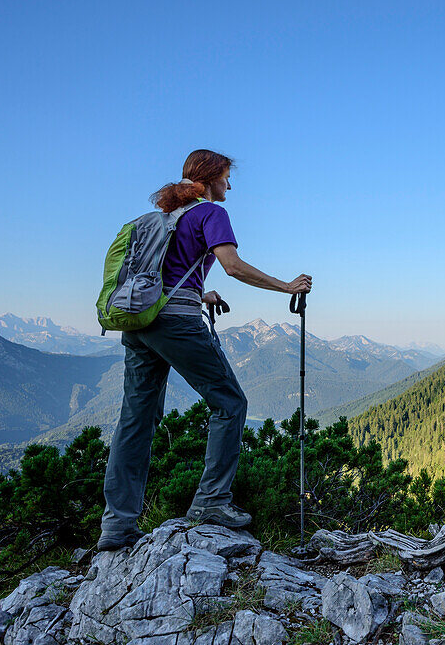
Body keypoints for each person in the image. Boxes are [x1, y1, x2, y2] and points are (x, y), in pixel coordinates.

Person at [97, 149, 311, 551]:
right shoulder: (211, 214)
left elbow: (165, 273)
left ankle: (117, 526)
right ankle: (212, 501)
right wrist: (286, 286)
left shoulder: (162, 218)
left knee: (136, 420)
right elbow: (233, 265)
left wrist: (200, 292)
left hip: (141, 324)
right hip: (177, 325)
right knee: (230, 402)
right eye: (227, 177)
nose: (229, 185)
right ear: (212, 178)